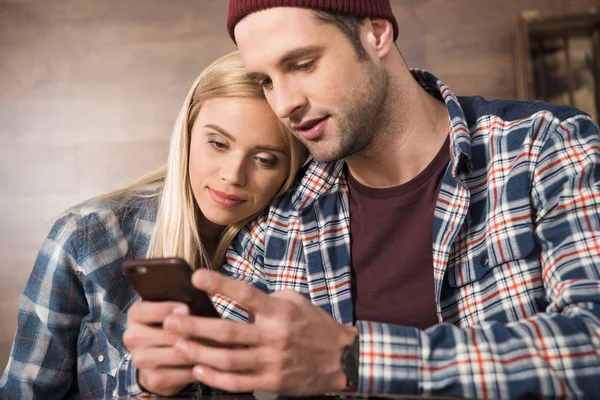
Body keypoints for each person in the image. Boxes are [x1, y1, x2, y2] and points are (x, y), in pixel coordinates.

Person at [121, 0, 600, 398]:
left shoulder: (545, 147)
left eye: (302, 64)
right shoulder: (281, 222)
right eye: (266, 80)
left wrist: (351, 357)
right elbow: (219, 369)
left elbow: (592, 346)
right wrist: (159, 378)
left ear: (376, 34)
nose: (284, 103)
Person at [0, 50, 306, 399]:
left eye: (265, 160)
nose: (232, 175)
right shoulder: (86, 239)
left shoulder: (287, 254)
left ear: (290, 171)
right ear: (186, 136)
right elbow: (24, 391)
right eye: (218, 144)